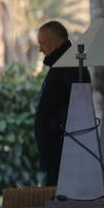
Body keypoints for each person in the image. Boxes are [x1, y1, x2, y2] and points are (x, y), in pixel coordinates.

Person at [35, 20, 83, 187]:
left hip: (64, 152)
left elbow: (79, 102)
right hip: (56, 153)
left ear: (58, 41)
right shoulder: (61, 63)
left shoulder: (70, 63)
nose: (41, 49)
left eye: (43, 43)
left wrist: (56, 124)